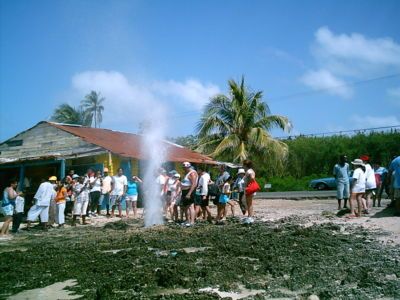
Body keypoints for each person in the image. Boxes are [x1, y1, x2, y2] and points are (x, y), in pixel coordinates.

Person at [180, 162, 198, 226]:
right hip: (185, 191)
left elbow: (194, 184)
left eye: (185, 167)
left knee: (190, 206)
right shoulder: (187, 173)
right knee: (186, 207)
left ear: (188, 167)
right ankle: (187, 220)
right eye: (183, 167)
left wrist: (189, 193)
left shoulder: (192, 173)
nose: (184, 169)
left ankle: (192, 221)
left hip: (189, 191)